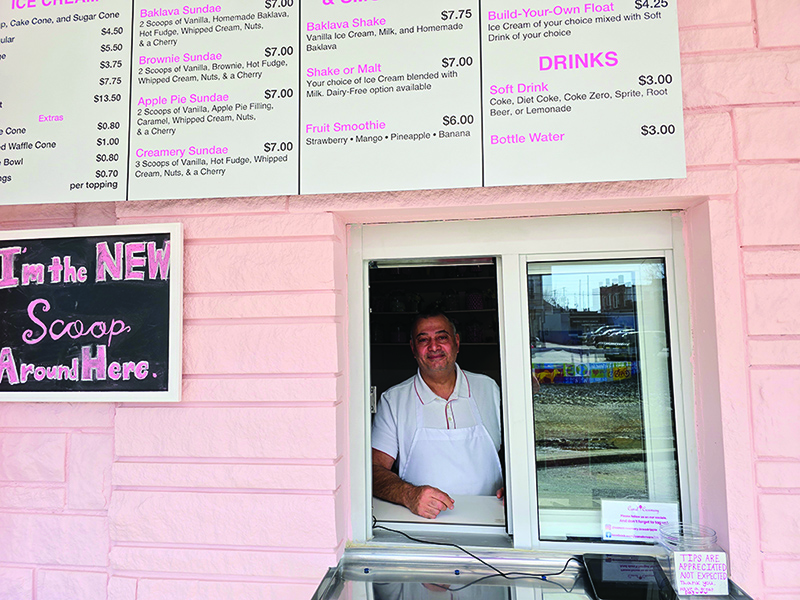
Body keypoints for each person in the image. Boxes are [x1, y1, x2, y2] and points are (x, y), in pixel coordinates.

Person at [371, 310, 504, 519]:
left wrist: (515, 488)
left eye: (442, 337)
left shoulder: (489, 389)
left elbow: (517, 453)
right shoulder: (394, 400)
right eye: (423, 340)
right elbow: (373, 470)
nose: (434, 347)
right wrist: (409, 495)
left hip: (492, 518)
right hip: (423, 523)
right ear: (413, 349)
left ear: (457, 342)